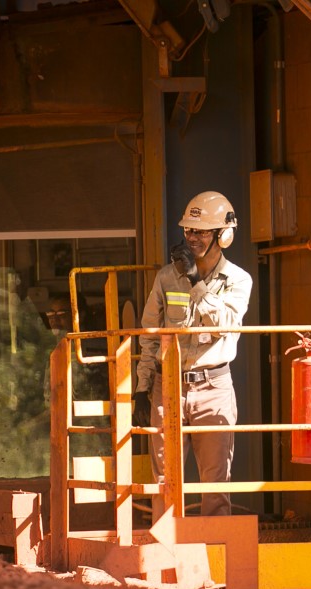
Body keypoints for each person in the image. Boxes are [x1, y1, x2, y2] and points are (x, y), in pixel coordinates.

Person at [134, 191, 253, 517]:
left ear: (223, 235)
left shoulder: (239, 280)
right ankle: (166, 557)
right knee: (164, 482)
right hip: (166, 386)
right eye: (188, 230)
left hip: (213, 388)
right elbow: (150, 334)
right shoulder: (166, 277)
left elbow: (225, 325)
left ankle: (214, 562)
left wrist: (196, 281)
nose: (192, 237)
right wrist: (143, 386)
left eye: (200, 231)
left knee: (214, 485)